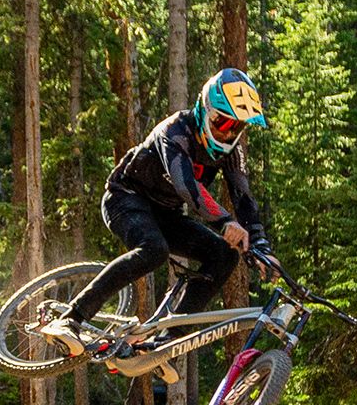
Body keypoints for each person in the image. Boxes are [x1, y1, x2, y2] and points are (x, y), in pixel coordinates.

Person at [38, 67, 273, 358]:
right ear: (205, 109)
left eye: (236, 127)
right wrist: (225, 221)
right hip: (126, 198)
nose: (227, 132)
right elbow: (187, 185)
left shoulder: (230, 154)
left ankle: (164, 343)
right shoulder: (175, 130)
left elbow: (243, 196)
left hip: (166, 213)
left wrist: (260, 245)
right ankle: (71, 319)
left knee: (224, 255)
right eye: (222, 122)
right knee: (154, 250)